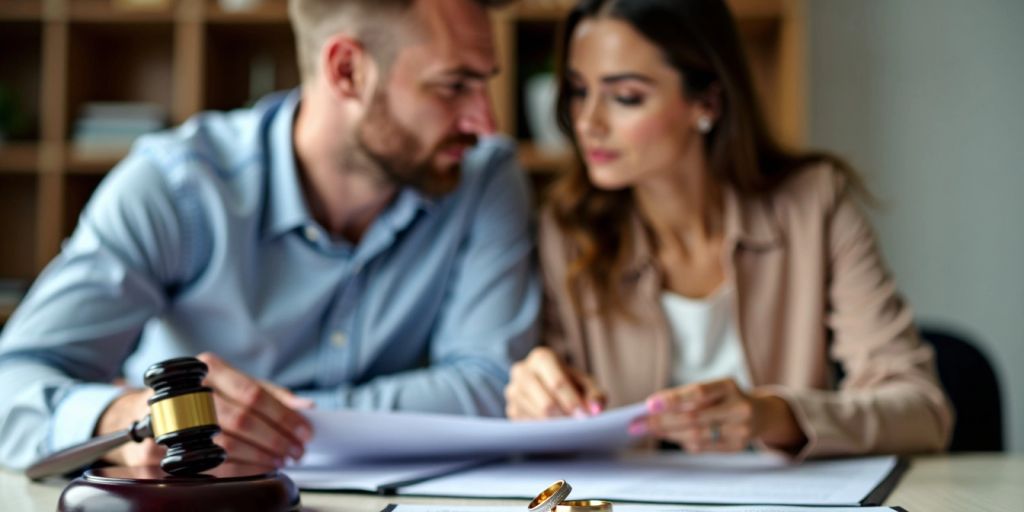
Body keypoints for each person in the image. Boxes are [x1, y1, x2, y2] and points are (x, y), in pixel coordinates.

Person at [0, 0, 538, 472]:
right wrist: (127, 419)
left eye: (483, 82)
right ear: (347, 70)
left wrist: (264, 422)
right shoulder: (177, 187)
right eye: (454, 86)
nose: (484, 121)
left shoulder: (482, 177)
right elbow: (12, 384)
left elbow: (492, 385)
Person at [504, 0, 952, 459]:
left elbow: (922, 411)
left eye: (625, 97)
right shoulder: (566, 229)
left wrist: (774, 416)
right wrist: (540, 401)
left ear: (707, 102)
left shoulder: (813, 205)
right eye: (578, 92)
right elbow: (552, 435)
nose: (587, 122)